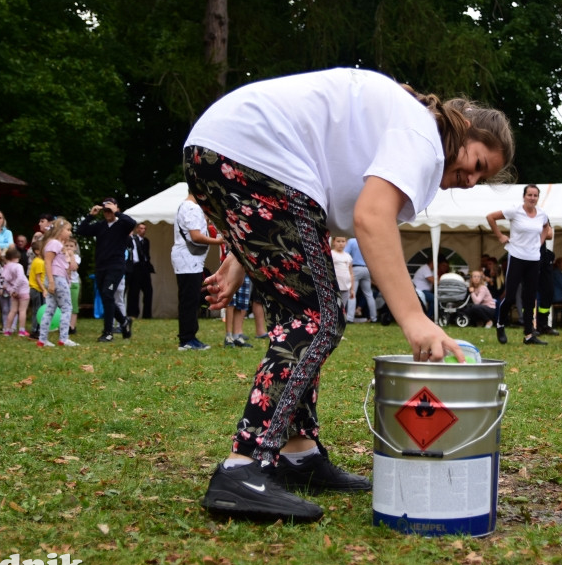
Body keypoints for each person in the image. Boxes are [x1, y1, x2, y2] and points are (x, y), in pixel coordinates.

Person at [184, 67, 513, 524]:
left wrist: (242, 257)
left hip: (219, 149)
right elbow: (370, 217)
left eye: (483, 179)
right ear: (464, 129)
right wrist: (415, 319)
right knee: (316, 318)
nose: (472, 181)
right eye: (478, 164)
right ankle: (245, 465)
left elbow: (312, 202)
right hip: (256, 155)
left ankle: (296, 452)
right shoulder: (422, 136)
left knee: (297, 315)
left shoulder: (399, 125)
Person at [487, 184, 551, 345]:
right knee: (509, 296)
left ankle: (529, 334)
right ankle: (500, 324)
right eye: (529, 195)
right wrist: (500, 236)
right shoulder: (515, 211)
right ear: (524, 196)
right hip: (516, 256)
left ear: (538, 198)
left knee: (530, 298)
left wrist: (540, 241)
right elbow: (490, 217)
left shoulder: (542, 214)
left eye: (535, 195)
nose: (532, 198)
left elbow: (546, 228)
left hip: (534, 258)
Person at [75, 198, 136, 342]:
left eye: (110, 210)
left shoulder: (122, 224)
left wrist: (117, 212)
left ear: (116, 209)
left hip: (115, 266)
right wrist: (91, 215)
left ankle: (108, 332)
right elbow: (80, 230)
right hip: (101, 267)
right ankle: (124, 321)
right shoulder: (100, 226)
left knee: (108, 294)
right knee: (105, 297)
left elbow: (132, 223)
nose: (107, 213)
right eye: (105, 210)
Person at [173, 194, 222, 350]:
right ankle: (187, 339)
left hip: (187, 259)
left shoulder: (186, 206)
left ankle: (188, 337)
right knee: (190, 299)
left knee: (189, 298)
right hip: (189, 259)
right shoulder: (192, 207)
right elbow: (196, 236)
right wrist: (219, 241)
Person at [38, 219, 79, 347]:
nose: (70, 233)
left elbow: (72, 267)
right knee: (67, 308)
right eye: (67, 230)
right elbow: (48, 262)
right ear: (59, 231)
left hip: (56, 279)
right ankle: (63, 338)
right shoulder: (54, 243)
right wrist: (51, 281)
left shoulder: (57, 244)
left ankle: (42, 339)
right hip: (57, 279)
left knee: (50, 309)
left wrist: (70, 255)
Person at [344, 237, 376, 323]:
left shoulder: (351, 241)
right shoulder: (368, 240)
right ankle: (374, 318)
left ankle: (350, 318)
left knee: (352, 292)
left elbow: (345, 254)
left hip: (355, 268)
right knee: (369, 294)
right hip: (367, 269)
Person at [126, 223, 154, 319]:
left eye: (144, 229)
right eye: (141, 228)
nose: (143, 230)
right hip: (136, 267)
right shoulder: (133, 239)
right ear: (137, 229)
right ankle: (133, 313)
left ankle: (147, 315)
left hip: (145, 267)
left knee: (148, 291)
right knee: (134, 291)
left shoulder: (146, 241)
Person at [1, 246, 31, 337]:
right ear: (16, 257)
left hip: (13, 292)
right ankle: (21, 330)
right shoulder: (18, 266)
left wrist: (11, 290)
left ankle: (7, 330)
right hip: (23, 290)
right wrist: (15, 288)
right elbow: (20, 278)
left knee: (13, 310)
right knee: (22, 310)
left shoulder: (5, 268)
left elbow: (5, 282)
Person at [27, 240, 46, 337]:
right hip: (37, 290)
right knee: (39, 311)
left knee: (37, 310)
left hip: (37, 290)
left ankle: (36, 329)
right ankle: (36, 331)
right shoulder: (39, 262)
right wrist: (44, 290)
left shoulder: (40, 261)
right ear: (37, 251)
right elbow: (38, 278)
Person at [330, 235, 354, 312]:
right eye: (338, 241)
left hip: (345, 287)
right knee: (334, 305)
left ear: (346, 243)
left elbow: (351, 273)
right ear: (334, 242)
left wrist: (352, 289)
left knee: (342, 307)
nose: (341, 244)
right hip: (334, 286)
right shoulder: (331, 254)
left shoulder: (348, 256)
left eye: (343, 241)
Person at [65, 238, 81, 335]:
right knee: (64, 305)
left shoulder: (76, 257)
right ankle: (64, 324)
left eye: (71, 246)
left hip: (74, 283)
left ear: (75, 248)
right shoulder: (61, 256)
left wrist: (71, 257)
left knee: (73, 305)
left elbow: (74, 267)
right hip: (64, 282)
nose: (69, 248)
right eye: (67, 245)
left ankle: (72, 326)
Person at [411, 254, 436, 318]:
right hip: (420, 290)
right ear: (433, 262)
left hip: (425, 291)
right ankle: (428, 317)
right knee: (435, 300)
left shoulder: (430, 270)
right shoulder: (425, 268)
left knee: (434, 299)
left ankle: (429, 316)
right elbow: (434, 281)